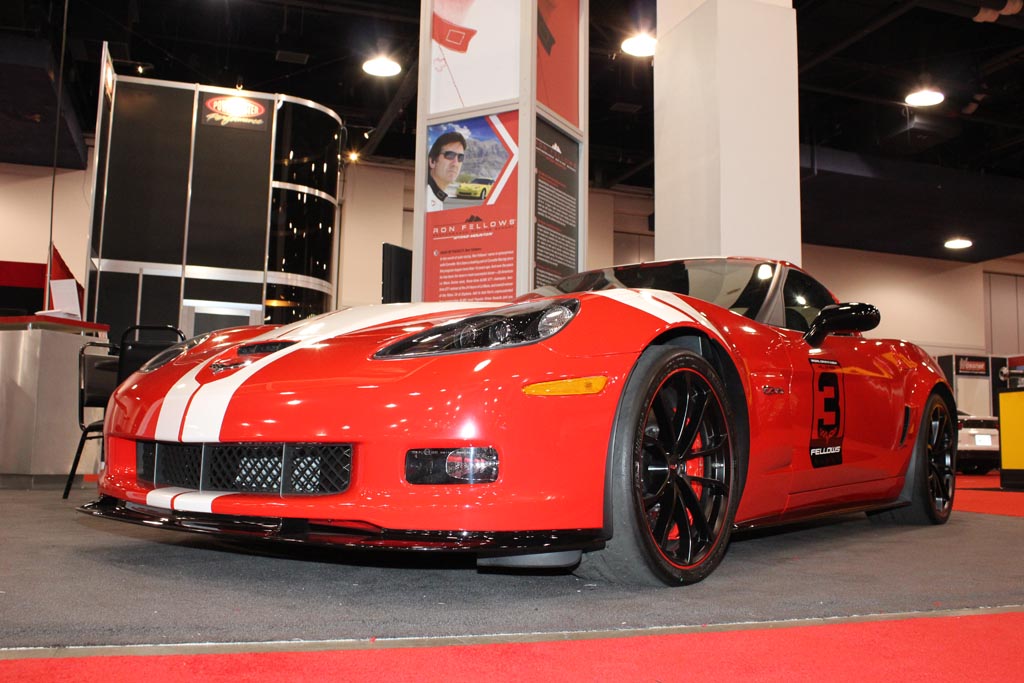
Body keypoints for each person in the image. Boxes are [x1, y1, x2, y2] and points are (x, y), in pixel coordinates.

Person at [426, 131, 466, 212]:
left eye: (460, 157)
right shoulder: (422, 197)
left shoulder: (437, 196)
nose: (455, 163)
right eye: (450, 155)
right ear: (432, 161)